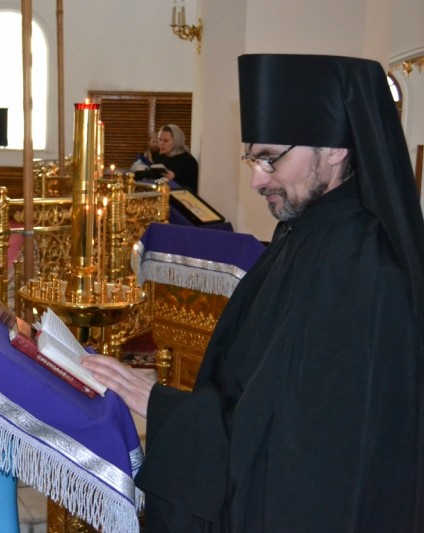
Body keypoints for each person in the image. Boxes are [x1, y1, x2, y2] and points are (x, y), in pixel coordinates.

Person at [83, 53, 424, 532]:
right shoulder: (305, 231)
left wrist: (161, 406)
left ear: (335, 149)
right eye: (252, 158)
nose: (256, 179)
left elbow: (305, 456)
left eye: (270, 158)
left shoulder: (364, 267)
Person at [131, 125, 199, 192]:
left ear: (176, 141)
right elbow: (155, 180)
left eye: (165, 141)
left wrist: (174, 178)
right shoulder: (160, 158)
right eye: (160, 140)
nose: (161, 143)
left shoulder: (189, 161)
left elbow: (192, 190)